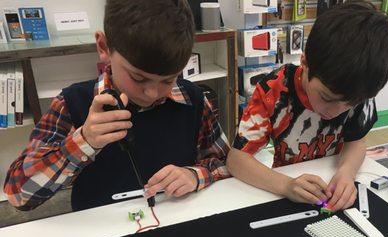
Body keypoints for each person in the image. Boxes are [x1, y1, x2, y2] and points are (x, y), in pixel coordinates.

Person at [4, 0, 229, 211]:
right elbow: (18, 194)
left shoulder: (194, 100)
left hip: (177, 222)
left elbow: (225, 162)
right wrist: (83, 141)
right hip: (101, 233)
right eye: (138, 78)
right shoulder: (72, 104)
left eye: (168, 80)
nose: (152, 93)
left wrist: (195, 175)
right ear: (103, 47)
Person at [226, 1, 388, 211]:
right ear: (305, 64)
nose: (336, 111)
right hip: (289, 190)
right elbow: (236, 160)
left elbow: (357, 142)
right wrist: (286, 185)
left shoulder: (357, 88)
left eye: (350, 104)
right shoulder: (274, 89)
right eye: (326, 97)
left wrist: (347, 172)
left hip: (329, 189)